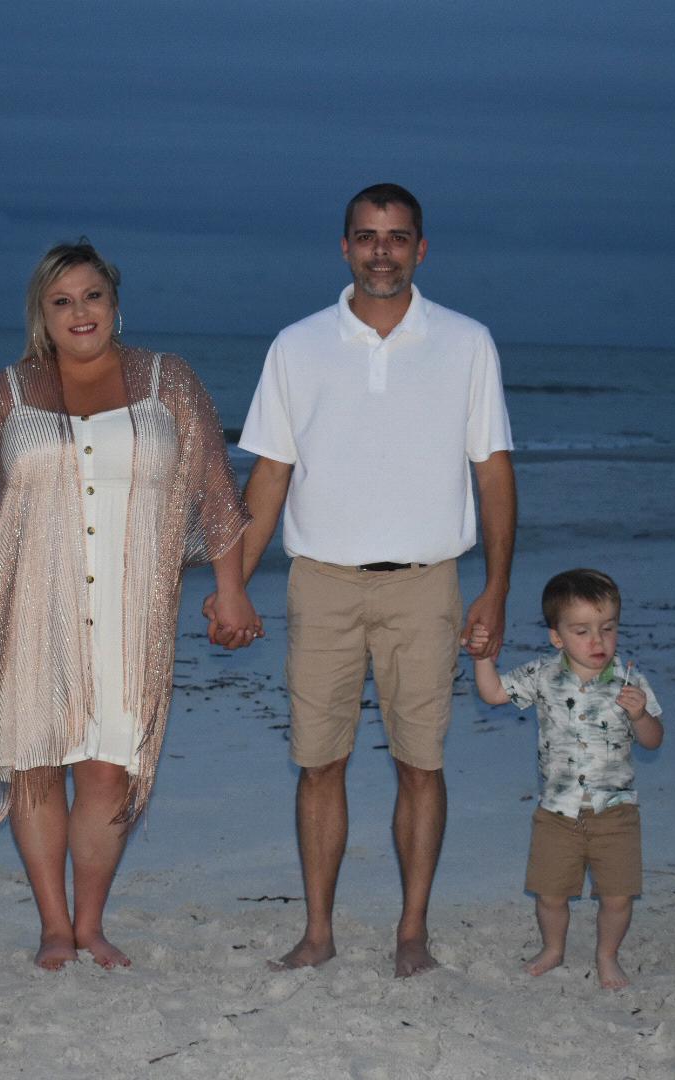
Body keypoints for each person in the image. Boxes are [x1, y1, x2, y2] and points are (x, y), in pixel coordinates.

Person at [0, 239, 259, 971]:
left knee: (111, 768)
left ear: (115, 303)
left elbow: (215, 490)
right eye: (62, 301)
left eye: (93, 296)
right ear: (41, 315)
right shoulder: (7, 392)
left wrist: (231, 589)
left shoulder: (170, 381)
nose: (80, 312)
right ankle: (53, 925)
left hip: (132, 611)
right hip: (27, 606)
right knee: (35, 765)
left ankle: (90, 923)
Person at [214, 183, 517, 977]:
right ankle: (317, 933)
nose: (382, 251)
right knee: (319, 762)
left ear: (422, 249)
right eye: (368, 236)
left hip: (426, 584)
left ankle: (412, 932)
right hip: (322, 583)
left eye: (398, 236)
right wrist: (233, 583)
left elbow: (493, 473)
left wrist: (495, 589)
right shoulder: (297, 345)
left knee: (422, 763)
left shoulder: (467, 343)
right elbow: (269, 476)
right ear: (344, 246)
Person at [468, 568, 664, 990]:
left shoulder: (630, 681)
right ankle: (553, 948)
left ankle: (607, 955)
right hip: (557, 810)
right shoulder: (542, 675)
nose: (597, 641)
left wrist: (639, 715)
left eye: (608, 628)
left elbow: (653, 740)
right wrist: (482, 658)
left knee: (617, 896)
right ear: (557, 637)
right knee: (550, 893)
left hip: (616, 811)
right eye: (582, 631)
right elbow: (494, 694)